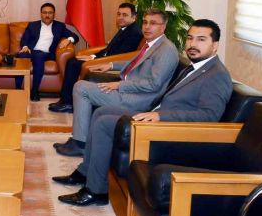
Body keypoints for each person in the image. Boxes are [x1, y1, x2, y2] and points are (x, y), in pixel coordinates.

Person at [52, 19, 233, 206]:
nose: (193, 44)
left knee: (105, 123)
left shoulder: (217, 75)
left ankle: (96, 191)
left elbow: (209, 116)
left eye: (201, 39)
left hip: (168, 128)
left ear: (215, 45)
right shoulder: (195, 67)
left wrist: (161, 116)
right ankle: (85, 172)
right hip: (154, 115)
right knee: (101, 113)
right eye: (190, 38)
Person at [55, 9, 179, 156]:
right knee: (83, 85)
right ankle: (79, 138)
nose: (147, 27)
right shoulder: (152, 44)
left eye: (153, 23)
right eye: (145, 22)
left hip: (139, 99)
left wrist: (119, 85)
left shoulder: (166, 50)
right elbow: (135, 62)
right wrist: (111, 65)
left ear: (163, 27)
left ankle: (80, 143)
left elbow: (153, 84)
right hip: (130, 90)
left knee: (81, 87)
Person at [49, 3, 143, 113]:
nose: (121, 17)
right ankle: (66, 100)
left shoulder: (134, 32)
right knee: (73, 61)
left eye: (125, 15)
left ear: (133, 17)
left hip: (110, 64)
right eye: (119, 14)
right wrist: (92, 56)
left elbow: (121, 55)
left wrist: (95, 60)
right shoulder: (125, 28)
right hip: (105, 59)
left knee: (73, 63)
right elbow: (108, 48)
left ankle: (68, 102)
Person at [16, 2, 77, 101]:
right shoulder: (32, 25)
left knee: (39, 56)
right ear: (41, 14)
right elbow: (24, 39)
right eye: (44, 12)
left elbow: (75, 36)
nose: (47, 15)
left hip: (47, 53)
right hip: (31, 51)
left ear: (54, 14)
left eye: (50, 13)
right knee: (21, 56)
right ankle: (18, 90)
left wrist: (68, 39)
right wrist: (25, 46)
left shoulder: (59, 26)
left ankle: (35, 91)